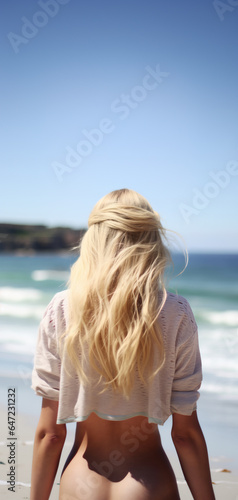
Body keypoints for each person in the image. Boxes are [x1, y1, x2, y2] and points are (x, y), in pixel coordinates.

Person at [30, 188, 215, 500]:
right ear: (150, 241)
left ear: (94, 240)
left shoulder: (61, 310)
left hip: (80, 484)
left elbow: (50, 434)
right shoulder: (175, 312)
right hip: (149, 483)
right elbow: (185, 435)